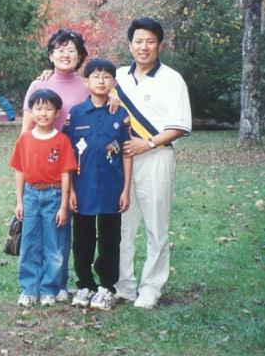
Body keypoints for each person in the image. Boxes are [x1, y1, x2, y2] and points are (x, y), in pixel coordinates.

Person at [114, 17, 192, 309]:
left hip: (156, 158)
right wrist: (48, 73)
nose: (143, 47)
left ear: (160, 45)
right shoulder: (117, 76)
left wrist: (146, 143)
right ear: (129, 45)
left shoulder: (172, 79)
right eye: (138, 41)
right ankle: (123, 285)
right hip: (121, 162)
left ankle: (151, 288)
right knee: (121, 224)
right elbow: (85, 84)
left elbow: (179, 126)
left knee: (156, 226)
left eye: (150, 41)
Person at [21, 29, 90, 302]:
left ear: (80, 56)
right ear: (51, 55)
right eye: (60, 50)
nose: (65, 54)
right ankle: (35, 285)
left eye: (71, 50)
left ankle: (58, 283)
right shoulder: (39, 85)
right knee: (38, 231)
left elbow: (105, 98)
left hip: (79, 163)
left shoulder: (86, 85)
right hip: (44, 169)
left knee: (62, 226)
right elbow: (26, 131)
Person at [64, 58, 132, 311]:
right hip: (83, 188)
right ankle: (85, 284)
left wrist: (125, 189)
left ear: (113, 82)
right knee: (82, 238)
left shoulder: (120, 114)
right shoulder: (76, 113)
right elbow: (68, 154)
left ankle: (106, 287)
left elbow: (127, 153)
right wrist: (70, 190)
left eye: (106, 77)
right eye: (96, 76)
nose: (101, 81)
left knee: (110, 239)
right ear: (86, 81)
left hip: (112, 188)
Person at [9, 89, 78, 308]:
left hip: (54, 196)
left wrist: (63, 206)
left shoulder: (62, 141)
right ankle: (29, 289)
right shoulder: (25, 140)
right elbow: (19, 171)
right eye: (38, 108)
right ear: (31, 112)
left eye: (48, 109)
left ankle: (49, 288)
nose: (43, 113)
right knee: (29, 243)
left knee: (54, 245)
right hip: (31, 195)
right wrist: (19, 201)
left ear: (57, 113)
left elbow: (66, 174)